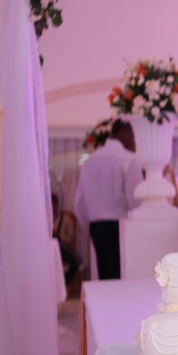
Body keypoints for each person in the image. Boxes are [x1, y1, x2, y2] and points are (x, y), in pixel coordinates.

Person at [73, 119, 144, 280]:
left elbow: (78, 204)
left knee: (105, 278)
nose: (135, 141)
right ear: (124, 132)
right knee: (122, 278)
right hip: (120, 226)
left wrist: (92, 222)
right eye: (134, 135)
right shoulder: (129, 159)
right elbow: (135, 201)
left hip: (96, 226)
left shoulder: (90, 160)